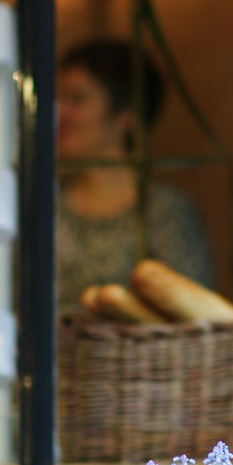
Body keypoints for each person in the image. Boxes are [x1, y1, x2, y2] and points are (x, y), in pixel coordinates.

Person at [56, 38, 214, 313]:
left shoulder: (163, 211)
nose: (60, 112)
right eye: (57, 99)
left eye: (77, 99)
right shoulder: (49, 204)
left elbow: (192, 316)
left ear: (124, 115)